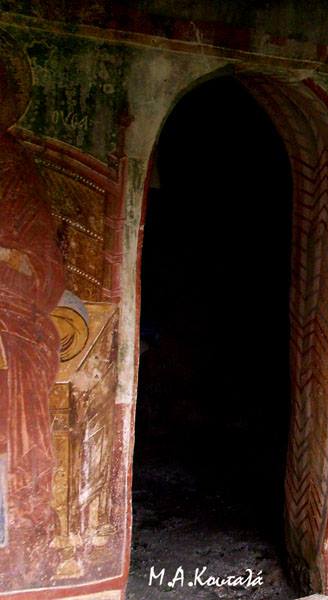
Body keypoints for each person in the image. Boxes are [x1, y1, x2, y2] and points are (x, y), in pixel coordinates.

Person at [0, 29, 64, 579]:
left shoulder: (15, 167)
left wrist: (11, 256)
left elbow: (44, 258)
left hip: (12, 303)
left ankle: (25, 511)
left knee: (29, 352)